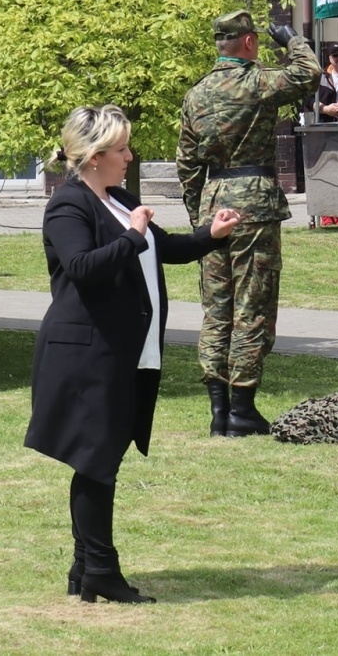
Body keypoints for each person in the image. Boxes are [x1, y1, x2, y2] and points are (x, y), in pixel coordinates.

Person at [26, 104, 239, 604]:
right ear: (95, 156)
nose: (130, 156)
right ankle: (99, 568)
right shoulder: (68, 205)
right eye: (121, 149)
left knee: (101, 460)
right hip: (85, 353)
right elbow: (82, 267)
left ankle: (86, 569)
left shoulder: (119, 198)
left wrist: (212, 233)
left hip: (126, 351)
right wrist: (133, 234)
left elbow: (167, 249)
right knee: (96, 460)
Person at [178, 10, 321, 436]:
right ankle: (242, 406)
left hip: (213, 203)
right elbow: (308, 73)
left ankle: (218, 410)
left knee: (216, 309)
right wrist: (292, 39)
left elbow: (187, 166)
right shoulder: (257, 82)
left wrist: (200, 222)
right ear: (249, 42)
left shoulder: (195, 95)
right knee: (251, 306)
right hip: (253, 202)